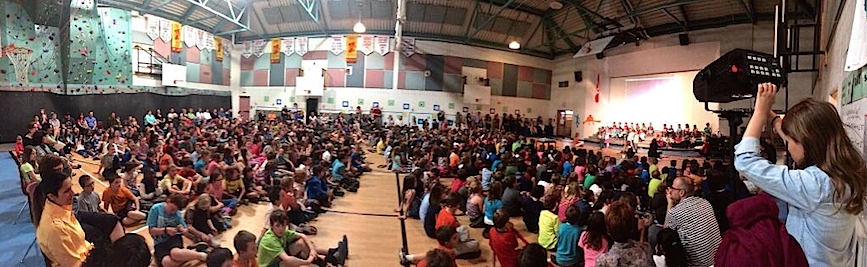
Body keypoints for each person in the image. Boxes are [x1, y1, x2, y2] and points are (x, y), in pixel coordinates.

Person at [735, 83, 865, 267]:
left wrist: (759, 112)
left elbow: (745, 161)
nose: (787, 147)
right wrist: (772, 118)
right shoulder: (846, 170)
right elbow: (794, 136)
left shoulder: (815, 185)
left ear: (807, 142)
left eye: (789, 141)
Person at [664, 177, 720, 267]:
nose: (670, 191)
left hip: (698, 264)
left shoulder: (676, 212)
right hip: (719, 258)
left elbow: (665, 234)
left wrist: (669, 203)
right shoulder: (705, 202)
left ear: (681, 192)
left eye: (673, 188)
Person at [257, 210, 343, 267]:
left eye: (283, 225)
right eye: (278, 226)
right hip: (270, 265)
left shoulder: (283, 231)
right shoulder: (270, 240)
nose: (281, 229)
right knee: (287, 263)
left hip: (278, 258)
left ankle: (329, 258)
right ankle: (329, 259)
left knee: (302, 243)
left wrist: (312, 250)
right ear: (272, 226)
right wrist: (307, 262)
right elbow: (288, 259)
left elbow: (303, 236)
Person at [148, 193, 208, 267]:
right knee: (167, 263)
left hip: (174, 239)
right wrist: (165, 230)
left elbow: (185, 229)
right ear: (168, 201)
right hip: (160, 242)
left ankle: (201, 255)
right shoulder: (155, 209)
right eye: (172, 209)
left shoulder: (177, 214)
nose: (173, 212)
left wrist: (182, 230)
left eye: (175, 211)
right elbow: (151, 230)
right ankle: (190, 253)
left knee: (175, 253)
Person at [595, 202, 654, 267]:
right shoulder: (645, 251)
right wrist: (642, 231)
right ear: (632, 228)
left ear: (608, 231)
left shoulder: (603, 262)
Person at [435, 193, 481, 259]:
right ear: (456, 205)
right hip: (449, 243)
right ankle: (456, 251)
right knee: (476, 244)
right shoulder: (451, 219)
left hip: (443, 239)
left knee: (463, 228)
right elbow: (454, 236)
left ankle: (463, 244)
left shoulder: (442, 211)